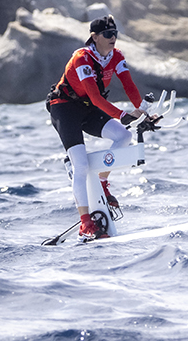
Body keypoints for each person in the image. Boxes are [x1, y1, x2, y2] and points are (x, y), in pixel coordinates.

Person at [47, 15, 148, 240]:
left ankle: (102, 183)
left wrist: (143, 113)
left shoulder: (116, 56)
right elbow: (94, 97)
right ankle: (85, 224)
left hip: (88, 108)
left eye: (115, 34)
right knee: (81, 165)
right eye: (108, 35)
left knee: (123, 137)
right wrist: (123, 115)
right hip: (64, 107)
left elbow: (129, 86)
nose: (113, 38)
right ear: (95, 37)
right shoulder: (82, 58)